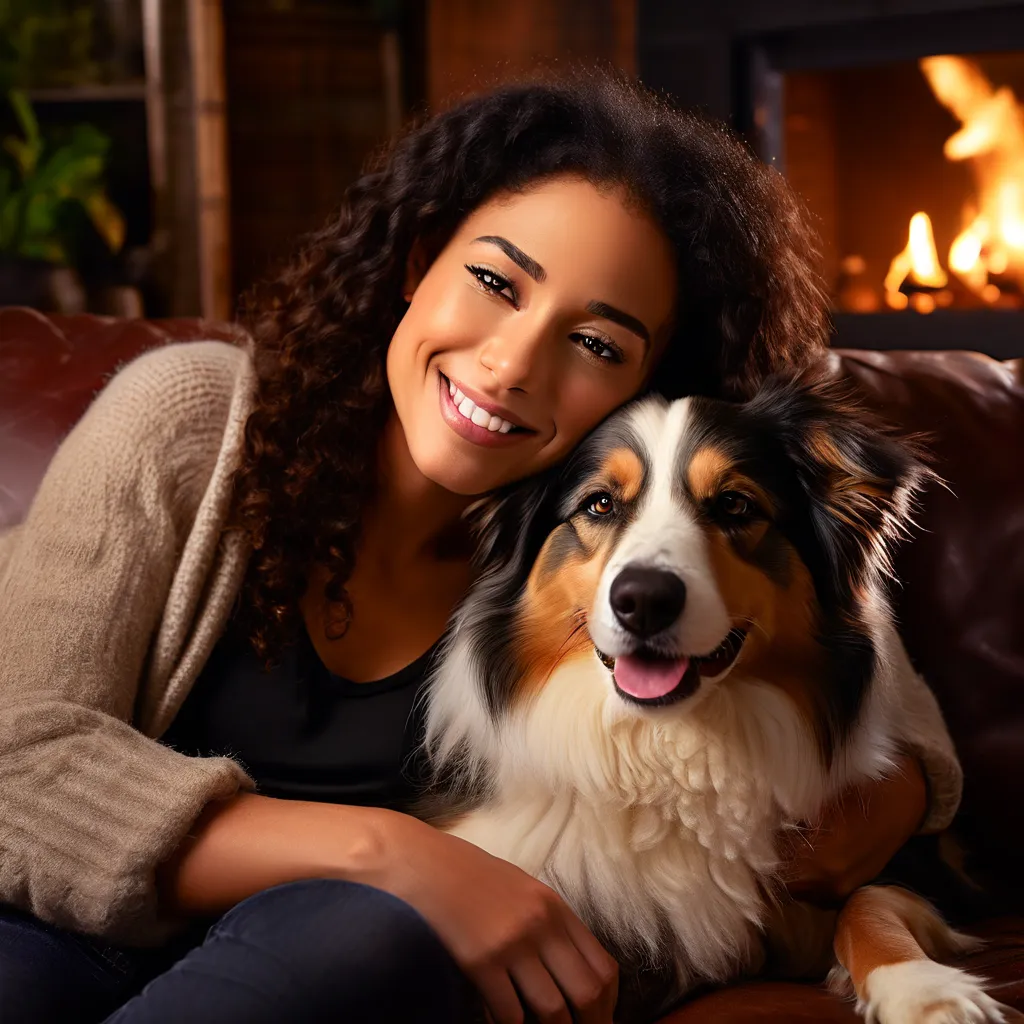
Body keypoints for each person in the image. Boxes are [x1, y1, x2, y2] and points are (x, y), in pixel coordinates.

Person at [0, 70, 960, 1024]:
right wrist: (398, 852)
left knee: (368, 938)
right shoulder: (187, 421)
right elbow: (17, 760)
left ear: (646, 387)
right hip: (62, 921)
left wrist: (904, 791)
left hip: (330, 955)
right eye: (496, 282)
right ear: (421, 261)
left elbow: (866, 663)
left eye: (597, 343)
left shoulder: (607, 526)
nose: (509, 366)